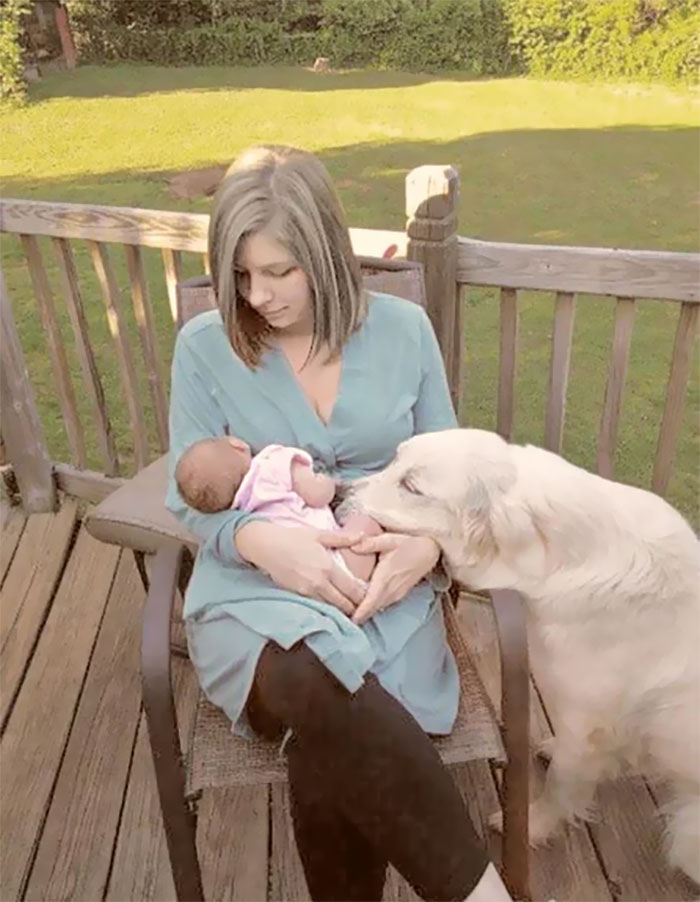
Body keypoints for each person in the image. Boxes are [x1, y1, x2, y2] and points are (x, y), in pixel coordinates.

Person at [166, 144, 512, 902]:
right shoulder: (202, 349)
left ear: (324, 251)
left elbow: (449, 473)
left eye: (280, 271)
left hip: (379, 587)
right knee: (312, 675)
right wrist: (262, 540)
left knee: (334, 728)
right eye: (242, 274)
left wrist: (426, 546)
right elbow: (185, 492)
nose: (259, 295)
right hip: (252, 598)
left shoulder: (405, 332)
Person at [174, 436, 382, 582]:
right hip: (340, 560)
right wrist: (327, 483)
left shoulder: (241, 509)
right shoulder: (273, 464)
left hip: (291, 578)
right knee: (364, 520)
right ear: (236, 444)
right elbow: (318, 495)